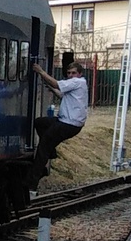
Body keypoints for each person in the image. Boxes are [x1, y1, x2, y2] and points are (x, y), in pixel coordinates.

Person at [32, 52, 89, 182]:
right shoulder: (78, 85)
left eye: (73, 73)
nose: (70, 76)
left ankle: (32, 181)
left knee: (43, 145)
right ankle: (51, 152)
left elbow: (57, 84)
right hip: (65, 121)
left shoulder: (77, 82)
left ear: (79, 74)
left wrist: (41, 72)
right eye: (68, 73)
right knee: (40, 123)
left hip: (68, 124)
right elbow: (63, 95)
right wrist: (52, 90)